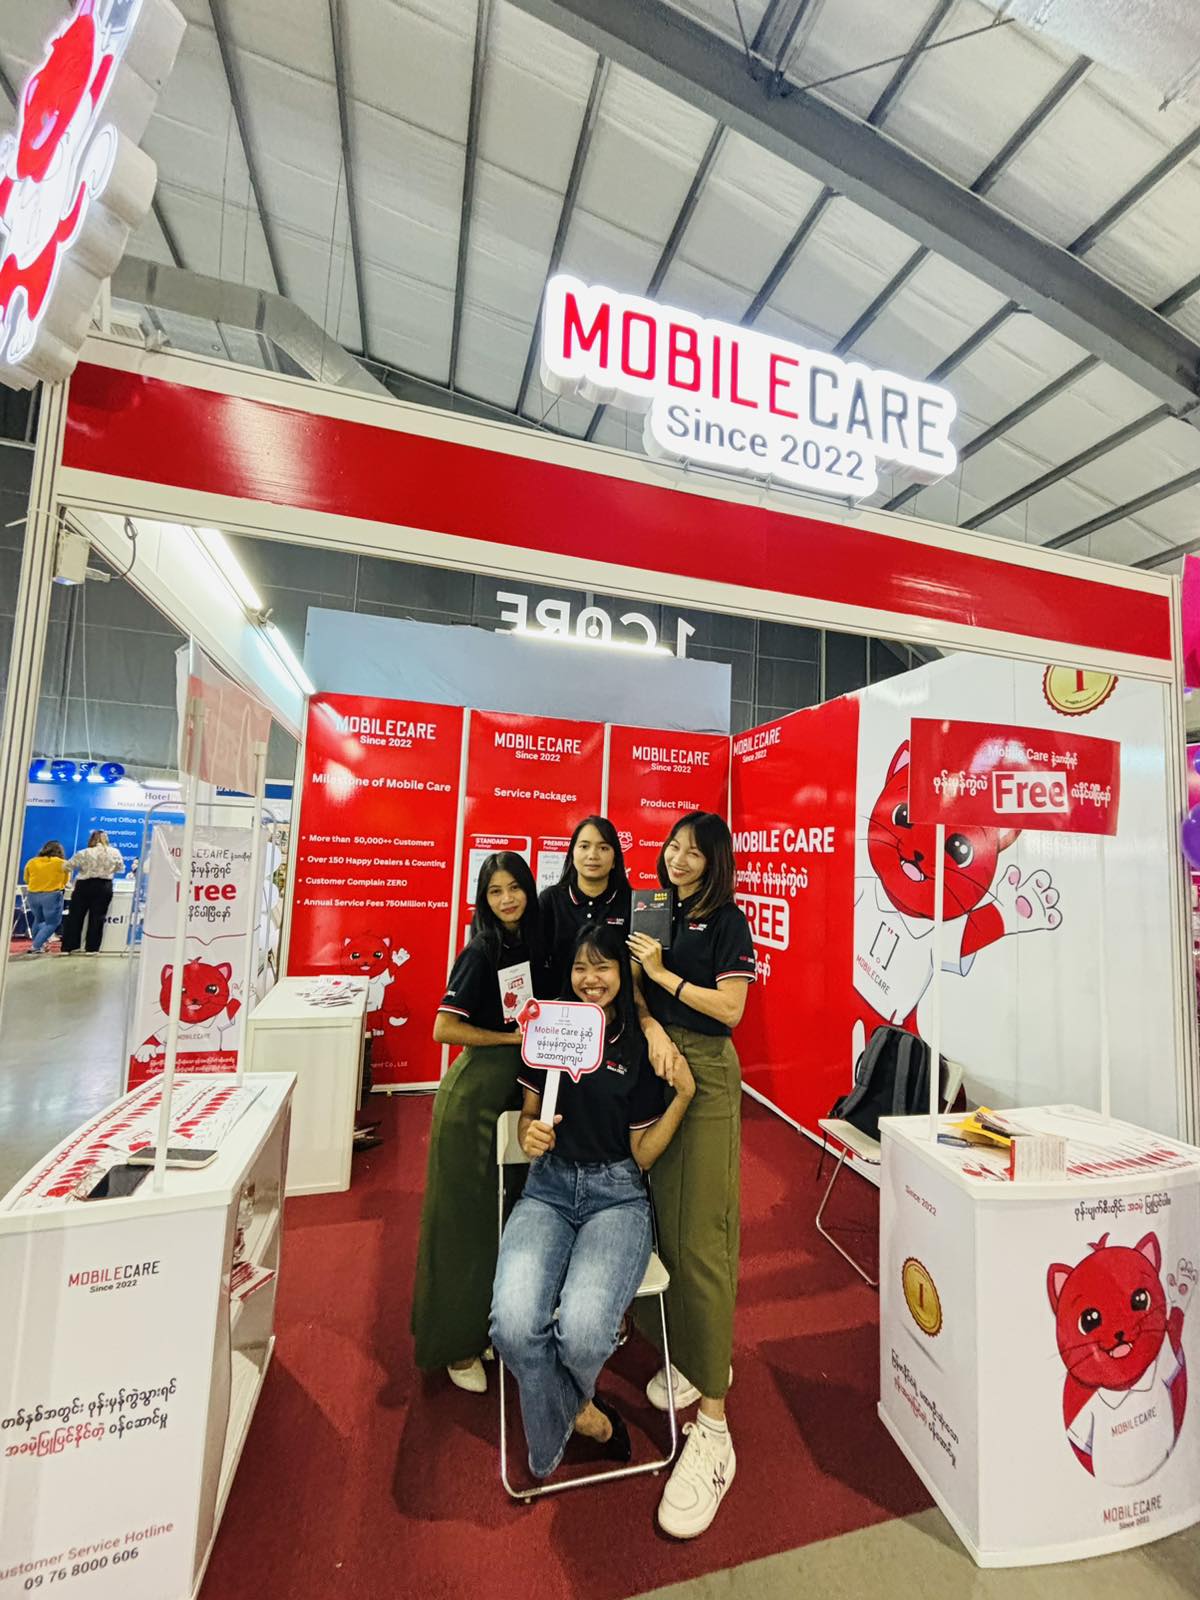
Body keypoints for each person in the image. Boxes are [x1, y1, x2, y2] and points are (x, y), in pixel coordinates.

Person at [490, 922, 695, 1479]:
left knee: (583, 1335)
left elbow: (642, 1154)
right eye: (580, 967)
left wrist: (683, 1097)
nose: (590, 978)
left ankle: (560, 1419)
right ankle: (587, 1416)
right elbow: (527, 1119)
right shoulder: (549, 1027)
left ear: (623, 973)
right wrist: (529, 1134)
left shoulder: (636, 1043)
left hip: (616, 1197)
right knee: (511, 1326)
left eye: (602, 966)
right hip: (548, 1189)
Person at [627, 811, 756, 1539]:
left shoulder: (728, 921)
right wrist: (649, 1023)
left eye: (692, 852)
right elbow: (637, 993)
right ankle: (683, 1347)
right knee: (654, 1219)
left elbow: (730, 1009)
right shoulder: (655, 908)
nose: (677, 859)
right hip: (655, 1059)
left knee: (702, 1233)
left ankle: (714, 1426)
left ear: (714, 861)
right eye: (672, 847)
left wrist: (662, 974)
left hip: (704, 1070)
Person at [412, 852, 553, 1391]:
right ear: (483, 899)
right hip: (473, 1103)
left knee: (505, 1220)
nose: (507, 899)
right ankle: (455, 1345)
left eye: (514, 888)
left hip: (517, 1098)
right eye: (495, 891)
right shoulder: (481, 950)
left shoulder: (535, 946)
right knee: (464, 1226)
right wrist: (509, 1038)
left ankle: (488, 1325)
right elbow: (443, 1029)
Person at [542, 816, 685, 1079]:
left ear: (616, 858)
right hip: (559, 1021)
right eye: (584, 846)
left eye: (603, 847)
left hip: (617, 1023)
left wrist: (648, 1023)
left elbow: (636, 977)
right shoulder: (550, 900)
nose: (592, 855)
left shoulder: (635, 904)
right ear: (572, 853)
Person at [62, 830, 124, 955]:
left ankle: (70, 946)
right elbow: (120, 868)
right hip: (104, 885)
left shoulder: (84, 852)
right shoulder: (115, 852)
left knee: (75, 916)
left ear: (91, 839)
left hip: (84, 885)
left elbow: (67, 867)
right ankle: (92, 948)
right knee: (98, 917)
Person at [23, 840, 69, 954]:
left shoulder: (32, 861)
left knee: (38, 920)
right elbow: (65, 881)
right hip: (52, 895)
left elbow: (26, 879)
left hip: (32, 895)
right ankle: (36, 946)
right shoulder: (62, 863)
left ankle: (39, 945)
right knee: (52, 923)